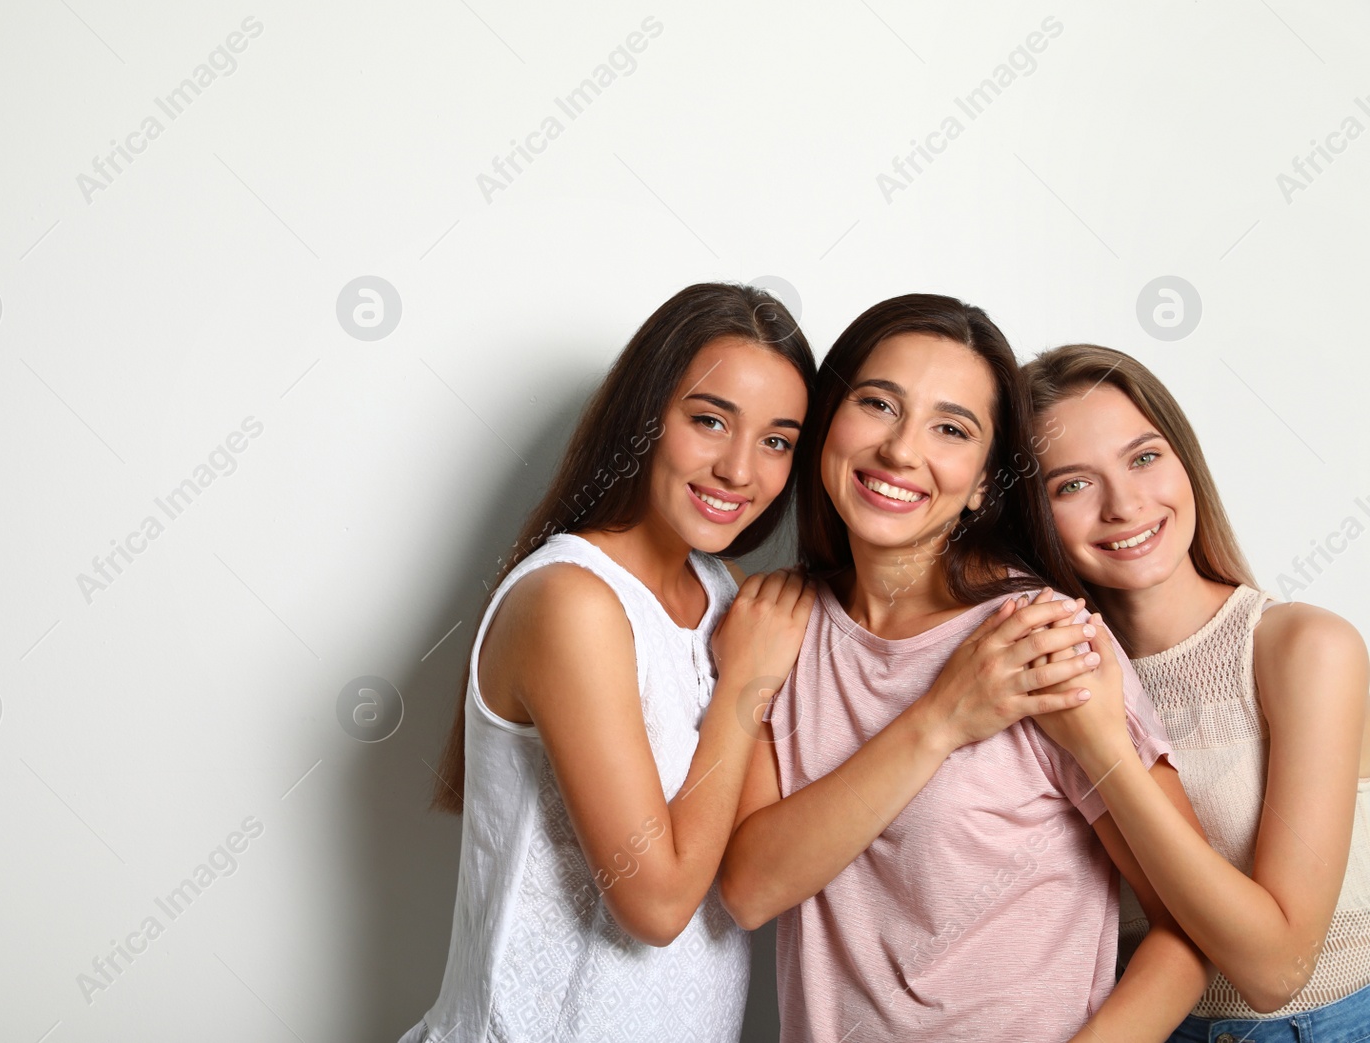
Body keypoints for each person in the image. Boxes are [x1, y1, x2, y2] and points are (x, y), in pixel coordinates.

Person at [719, 294, 1212, 1042]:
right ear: (827, 424)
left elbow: (1186, 929)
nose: (900, 450)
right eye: (879, 404)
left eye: (951, 428)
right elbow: (751, 889)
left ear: (984, 481)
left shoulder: (1041, 637)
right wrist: (940, 717)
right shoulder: (777, 625)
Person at [402, 283, 816, 1042]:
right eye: (709, 420)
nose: (739, 469)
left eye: (777, 440)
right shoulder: (573, 602)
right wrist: (747, 685)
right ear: (644, 416)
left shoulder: (726, 597)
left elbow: (749, 868)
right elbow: (654, 903)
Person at [1021, 343, 1370, 1042]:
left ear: (1185, 461)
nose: (1124, 504)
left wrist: (1104, 748)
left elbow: (1277, 971)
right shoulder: (1045, 671)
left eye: (1144, 457)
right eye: (1072, 485)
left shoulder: (1303, 649)